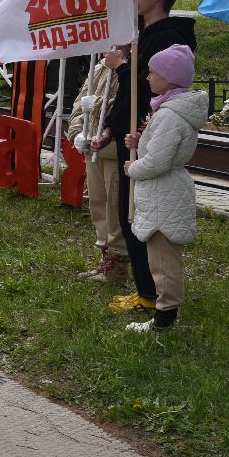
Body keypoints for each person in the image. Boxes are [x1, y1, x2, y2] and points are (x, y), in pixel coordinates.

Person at [95, 0, 195, 317]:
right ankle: (145, 288)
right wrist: (110, 125)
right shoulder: (143, 34)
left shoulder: (168, 37)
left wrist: (121, 66)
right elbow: (130, 93)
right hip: (132, 133)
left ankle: (151, 293)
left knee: (138, 212)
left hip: (147, 137)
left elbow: (146, 86)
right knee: (130, 212)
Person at [122, 44, 208, 332]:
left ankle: (165, 318)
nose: (147, 77)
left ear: (169, 78)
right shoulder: (169, 111)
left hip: (163, 193)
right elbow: (161, 147)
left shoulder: (170, 115)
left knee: (163, 260)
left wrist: (133, 167)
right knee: (161, 257)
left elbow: (158, 161)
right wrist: (141, 143)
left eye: (153, 73)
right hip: (164, 192)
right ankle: (165, 313)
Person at [67, 49, 126, 283]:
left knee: (114, 205)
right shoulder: (100, 68)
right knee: (98, 203)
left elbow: (122, 107)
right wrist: (77, 134)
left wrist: (97, 104)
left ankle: (119, 262)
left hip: (113, 151)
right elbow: (80, 105)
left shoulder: (129, 70)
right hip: (92, 146)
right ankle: (105, 256)